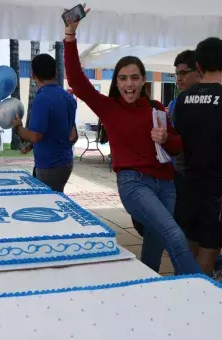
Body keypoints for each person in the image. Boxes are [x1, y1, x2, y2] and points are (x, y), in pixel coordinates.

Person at [63, 4, 202, 275]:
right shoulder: (109, 107)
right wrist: (70, 36)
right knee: (174, 235)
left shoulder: (157, 108)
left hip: (166, 184)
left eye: (135, 77)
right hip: (134, 183)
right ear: (116, 82)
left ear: (142, 81)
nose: (129, 83)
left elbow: (177, 146)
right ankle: (200, 290)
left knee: (155, 241)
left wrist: (164, 138)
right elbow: (77, 81)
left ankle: (146, 286)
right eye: (123, 78)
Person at [131, 50, 201, 271]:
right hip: (176, 176)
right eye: (176, 73)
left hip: (188, 178)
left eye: (184, 73)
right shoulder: (174, 103)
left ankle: (189, 280)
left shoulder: (183, 102)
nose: (179, 79)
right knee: (178, 233)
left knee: (179, 234)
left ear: (198, 72)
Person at [174, 37, 222, 278]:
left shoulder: (182, 99)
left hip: (188, 184)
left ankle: (183, 292)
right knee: (208, 253)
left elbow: (178, 143)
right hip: (216, 189)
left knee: (189, 247)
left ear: (199, 66)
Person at [13, 53, 76, 193]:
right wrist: (31, 146)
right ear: (56, 72)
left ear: (33, 74)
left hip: (49, 166)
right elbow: (72, 135)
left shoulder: (42, 99)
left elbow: (36, 135)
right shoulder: (68, 97)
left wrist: (18, 128)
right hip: (65, 162)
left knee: (48, 207)